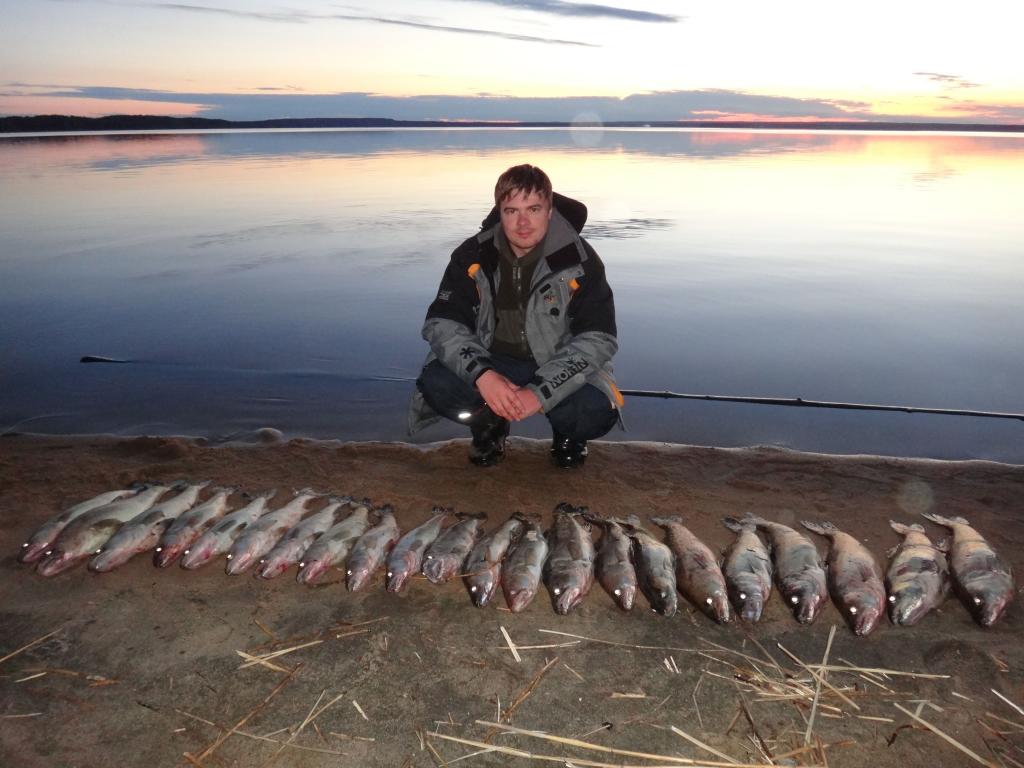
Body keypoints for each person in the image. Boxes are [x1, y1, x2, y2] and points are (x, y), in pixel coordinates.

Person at [408, 164, 622, 468]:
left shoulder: (581, 260)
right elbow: (442, 324)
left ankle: (567, 434)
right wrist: (483, 375)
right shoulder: (472, 254)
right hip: (491, 359)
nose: (523, 223)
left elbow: (599, 339)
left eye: (533, 209)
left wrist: (539, 392)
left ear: (549, 211)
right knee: (437, 383)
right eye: (512, 211)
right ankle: (489, 423)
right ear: (500, 211)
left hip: (556, 361)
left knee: (594, 410)